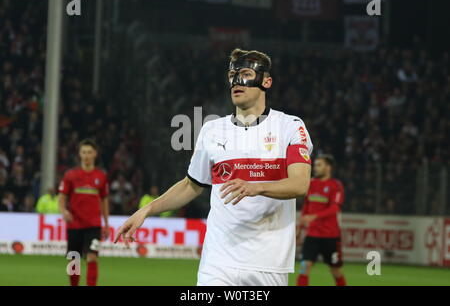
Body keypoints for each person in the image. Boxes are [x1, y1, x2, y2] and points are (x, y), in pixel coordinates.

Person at [115, 48, 313, 286]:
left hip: (267, 263)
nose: (236, 82)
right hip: (218, 261)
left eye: (247, 74)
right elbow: (191, 185)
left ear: (266, 81)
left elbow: (300, 184)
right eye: (232, 76)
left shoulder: (290, 127)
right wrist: (145, 210)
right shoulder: (211, 129)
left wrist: (257, 187)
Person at [58, 139, 110, 286]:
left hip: (93, 225)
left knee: (92, 257)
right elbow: (61, 198)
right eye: (83, 152)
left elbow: (104, 201)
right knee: (74, 259)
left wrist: (105, 224)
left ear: (95, 154)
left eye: (89, 152)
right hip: (74, 224)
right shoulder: (70, 175)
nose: (86, 155)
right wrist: (64, 212)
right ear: (79, 154)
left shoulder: (101, 177)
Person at [296, 154, 346, 286]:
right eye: (315, 165)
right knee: (304, 268)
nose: (315, 168)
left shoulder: (336, 185)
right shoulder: (311, 183)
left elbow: (335, 208)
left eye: (319, 165)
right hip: (312, 236)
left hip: (330, 237)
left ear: (328, 167)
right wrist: (299, 228)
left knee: (336, 271)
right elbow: (306, 206)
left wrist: (315, 216)